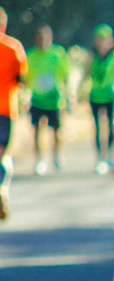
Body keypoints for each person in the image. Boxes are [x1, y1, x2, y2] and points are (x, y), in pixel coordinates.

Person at [25, 24, 69, 175]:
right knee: (36, 130)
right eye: (39, 38)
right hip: (37, 98)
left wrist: (68, 95)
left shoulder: (57, 53)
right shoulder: (31, 55)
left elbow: (65, 74)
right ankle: (39, 160)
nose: (42, 41)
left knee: (57, 130)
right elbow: (26, 76)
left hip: (54, 99)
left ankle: (57, 154)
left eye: (45, 38)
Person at [0, 7, 26, 219]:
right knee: (2, 154)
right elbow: (22, 79)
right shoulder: (13, 47)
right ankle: (2, 188)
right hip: (6, 110)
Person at [86, 24, 114, 174]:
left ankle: (111, 155)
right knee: (98, 128)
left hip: (110, 96)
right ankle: (100, 157)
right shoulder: (92, 57)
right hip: (95, 96)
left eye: (104, 39)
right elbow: (87, 74)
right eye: (99, 39)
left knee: (112, 126)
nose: (101, 42)